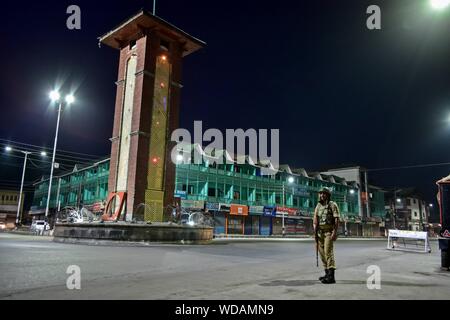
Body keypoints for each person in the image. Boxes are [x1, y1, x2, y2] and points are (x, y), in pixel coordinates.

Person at [313, 187, 340, 284]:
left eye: (324, 193)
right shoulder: (318, 206)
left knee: (328, 252)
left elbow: (337, 220)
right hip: (320, 233)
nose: (321, 195)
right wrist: (315, 232)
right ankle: (327, 273)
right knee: (322, 254)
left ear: (328, 195)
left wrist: (334, 233)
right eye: (320, 193)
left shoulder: (332, 205)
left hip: (329, 232)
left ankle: (331, 277)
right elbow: (315, 219)